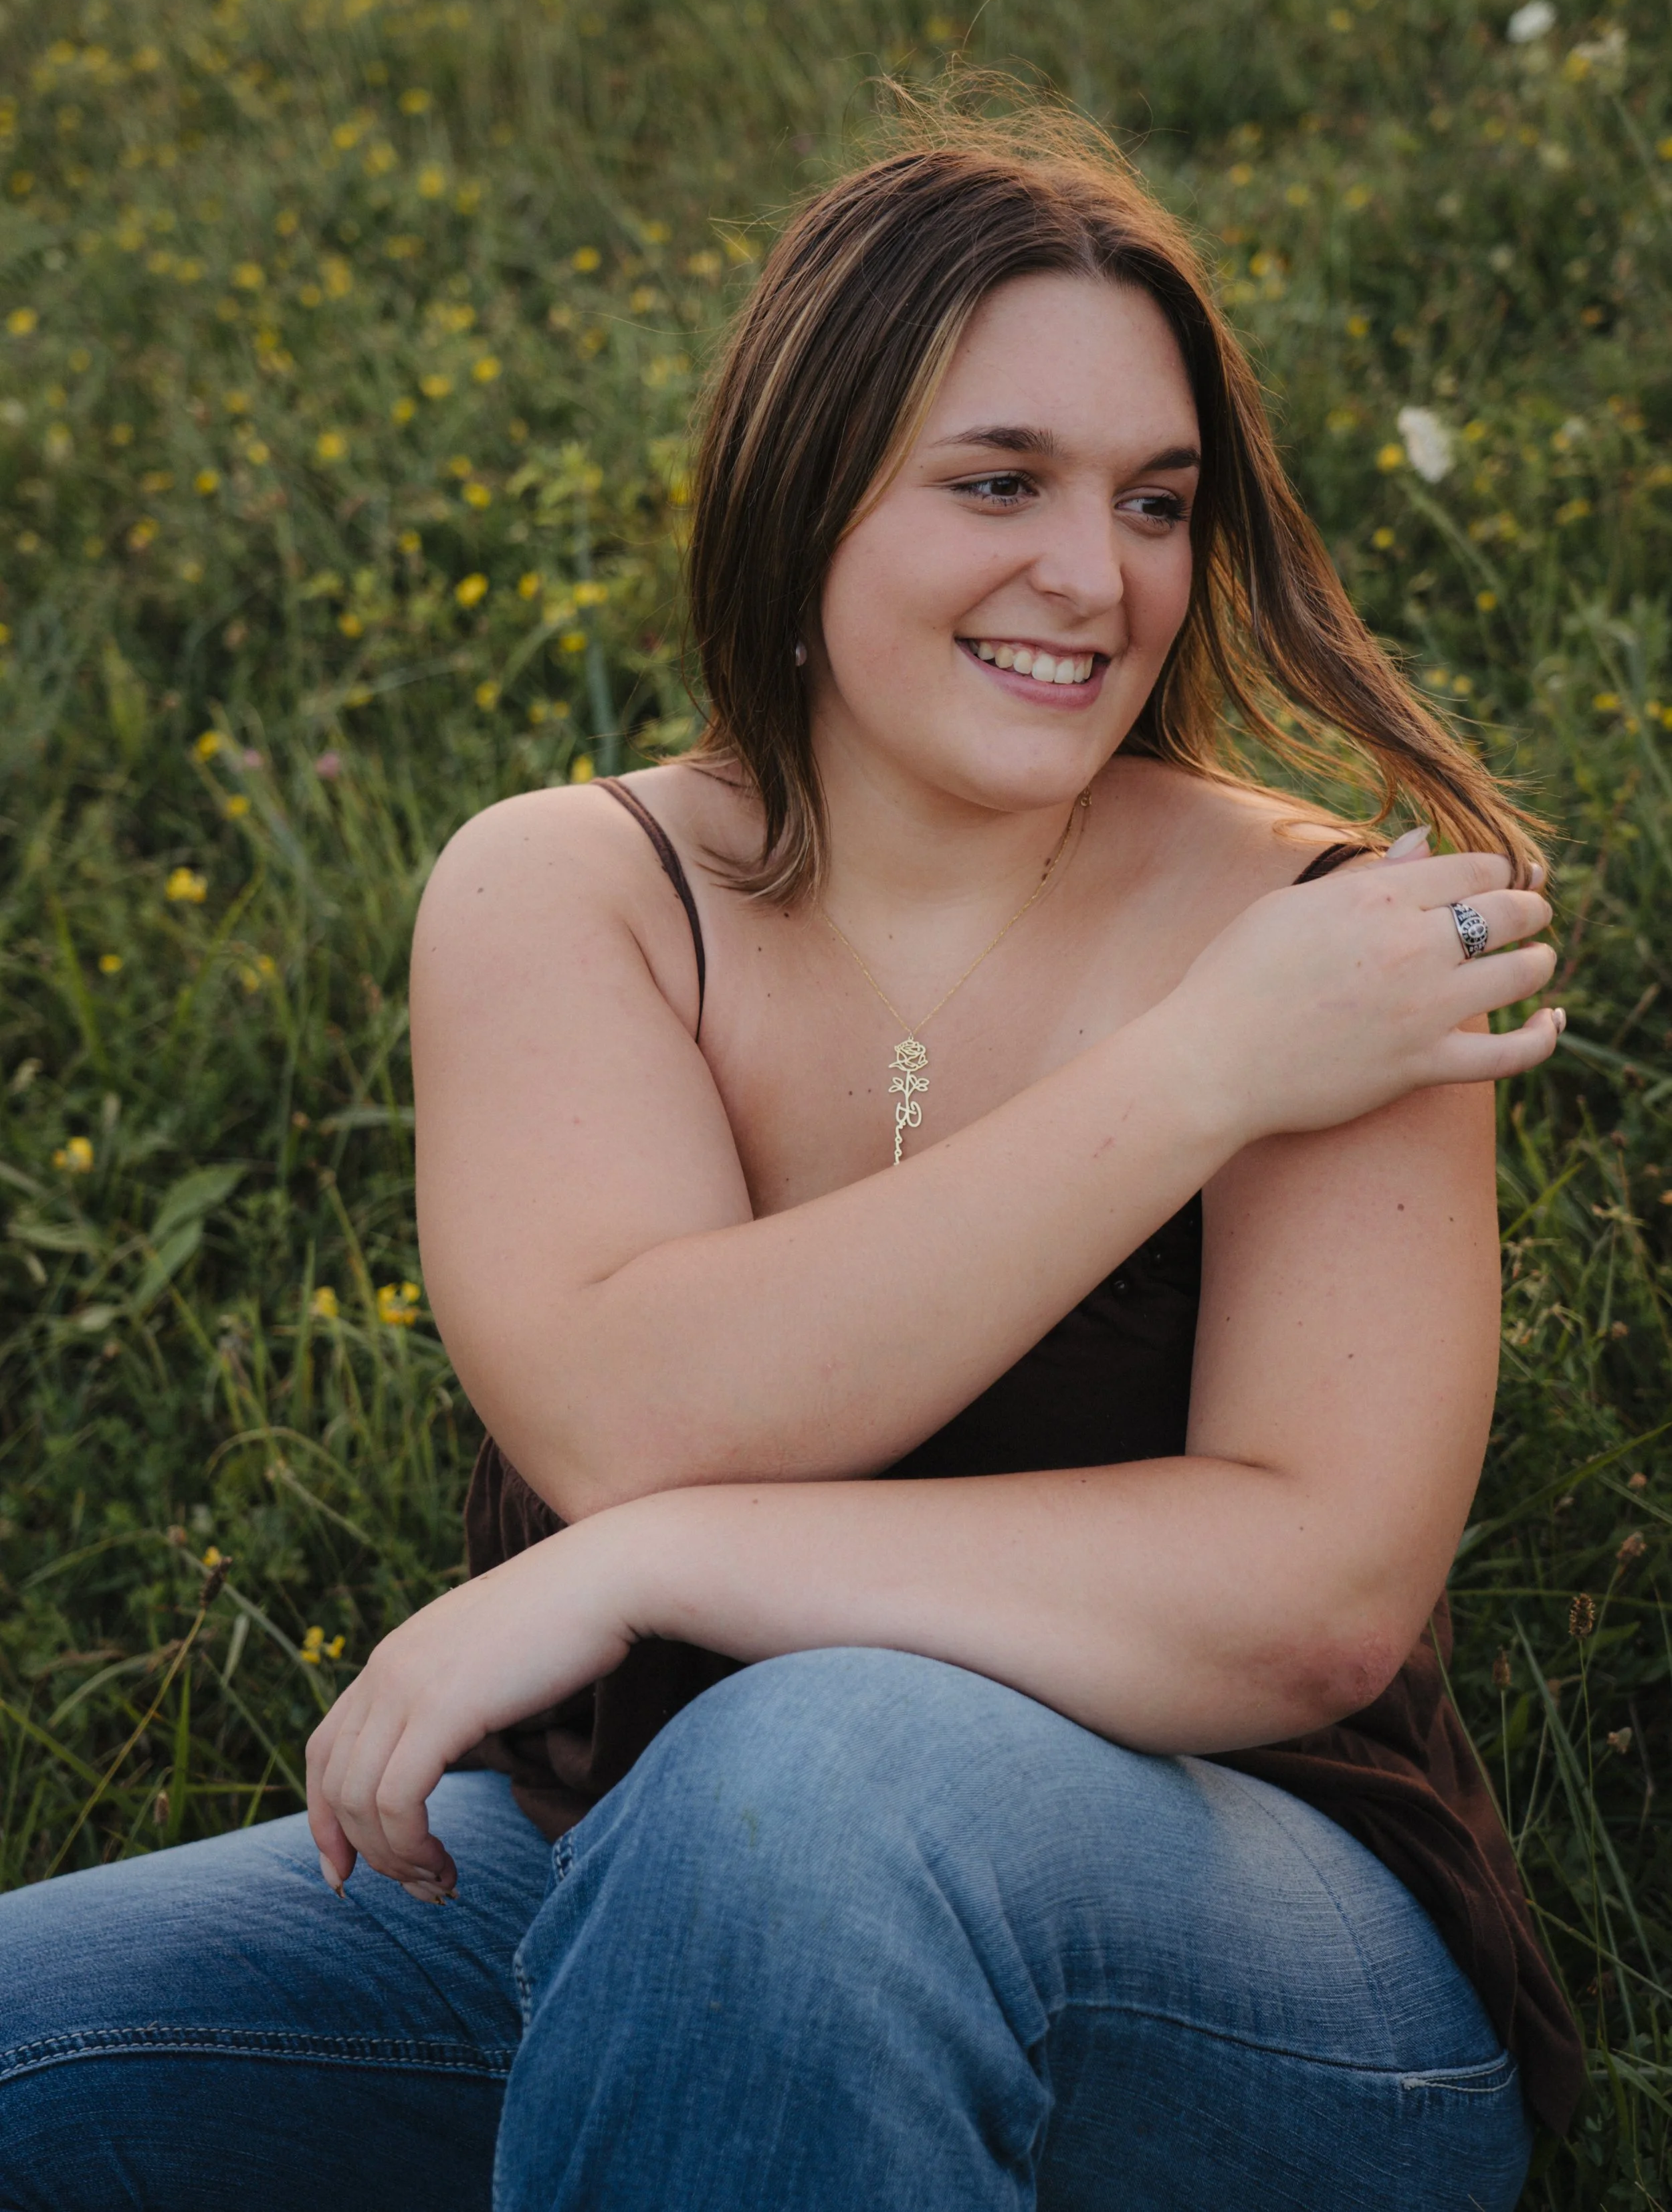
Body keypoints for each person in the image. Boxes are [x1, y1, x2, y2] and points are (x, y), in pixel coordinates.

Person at [0, 106, 1582, 2211]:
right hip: (625, 1870)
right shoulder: (571, 890)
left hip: (1258, 1959)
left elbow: (1308, 1604)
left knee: (803, 1772)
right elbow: (640, 1402)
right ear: (802, 482)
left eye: (1154, 501)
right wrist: (1196, 1078)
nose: (1091, 577)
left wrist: (653, 1569)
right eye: (996, 482)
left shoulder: (1325, 944)